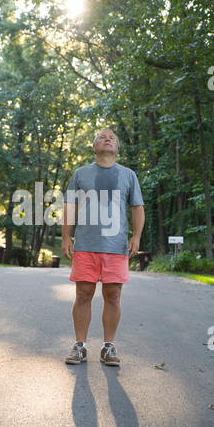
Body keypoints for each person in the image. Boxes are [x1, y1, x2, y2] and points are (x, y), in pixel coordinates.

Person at [62, 129, 145, 366]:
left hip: (116, 245)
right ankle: (80, 346)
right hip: (86, 244)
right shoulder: (81, 174)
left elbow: (137, 207)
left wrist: (137, 236)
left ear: (117, 148)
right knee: (83, 295)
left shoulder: (128, 175)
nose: (107, 139)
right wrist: (65, 237)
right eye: (102, 137)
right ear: (94, 147)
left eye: (111, 138)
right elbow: (70, 206)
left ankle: (108, 347)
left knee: (113, 295)